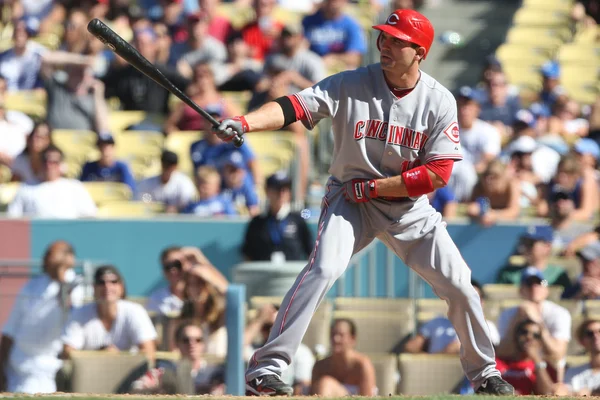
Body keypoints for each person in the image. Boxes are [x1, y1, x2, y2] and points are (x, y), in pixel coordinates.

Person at [211, 8, 514, 396]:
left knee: (459, 284)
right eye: (383, 37)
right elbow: (294, 106)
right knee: (322, 269)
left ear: (419, 52)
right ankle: (267, 367)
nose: (385, 45)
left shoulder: (439, 101)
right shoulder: (351, 83)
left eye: (396, 41)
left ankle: (485, 373)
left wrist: (377, 188)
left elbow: (437, 174)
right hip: (349, 201)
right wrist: (246, 122)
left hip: (406, 208)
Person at [0, 241, 84, 393]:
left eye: (51, 254)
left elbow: (70, 311)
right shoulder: (31, 286)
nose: (45, 258)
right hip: (19, 364)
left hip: (50, 366)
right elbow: (10, 330)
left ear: (69, 258)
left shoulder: (77, 284)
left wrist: (61, 277)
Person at [61, 265, 157, 362]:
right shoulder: (80, 313)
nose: (107, 286)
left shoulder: (135, 311)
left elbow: (149, 353)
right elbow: (67, 352)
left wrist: (118, 358)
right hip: (90, 373)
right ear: (94, 288)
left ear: (121, 287)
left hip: (129, 373)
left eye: (113, 282)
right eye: (101, 282)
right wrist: (99, 356)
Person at [496, 267, 571, 363]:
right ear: (521, 290)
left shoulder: (560, 313)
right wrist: (516, 319)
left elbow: (557, 354)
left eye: (539, 283)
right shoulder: (507, 314)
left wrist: (537, 321)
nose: (534, 287)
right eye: (529, 284)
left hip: (549, 369)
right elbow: (502, 353)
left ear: (546, 289)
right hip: (519, 368)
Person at [404, 280, 500, 354]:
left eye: (474, 299)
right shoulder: (437, 322)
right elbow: (410, 347)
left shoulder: (489, 327)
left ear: (482, 303)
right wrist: (444, 354)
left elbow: (493, 355)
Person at [7, 145, 98, 218]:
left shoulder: (75, 187)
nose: (49, 165)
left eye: (54, 162)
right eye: (45, 161)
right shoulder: (26, 188)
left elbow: (89, 217)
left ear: (61, 164)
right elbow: (13, 219)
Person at [241, 172, 313, 262]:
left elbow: (310, 252)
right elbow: (248, 254)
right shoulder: (257, 222)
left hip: (291, 274)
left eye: (285, 189)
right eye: (276, 189)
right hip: (264, 273)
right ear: (267, 191)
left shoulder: (298, 221)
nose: (281, 193)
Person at [310, 318, 376, 396]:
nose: (336, 339)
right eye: (333, 334)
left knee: (326, 384)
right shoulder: (320, 366)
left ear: (352, 338)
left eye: (341, 335)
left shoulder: (362, 365)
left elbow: (368, 397)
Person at [495, 319, 556, 395]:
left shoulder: (546, 368)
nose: (529, 337)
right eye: (524, 332)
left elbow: (547, 393)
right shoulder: (497, 363)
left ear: (540, 342)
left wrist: (538, 360)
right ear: (516, 336)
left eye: (536, 335)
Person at [554, 318, 600, 395]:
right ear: (582, 342)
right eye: (590, 334)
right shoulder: (573, 372)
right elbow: (561, 393)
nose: (596, 336)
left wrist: (588, 393)